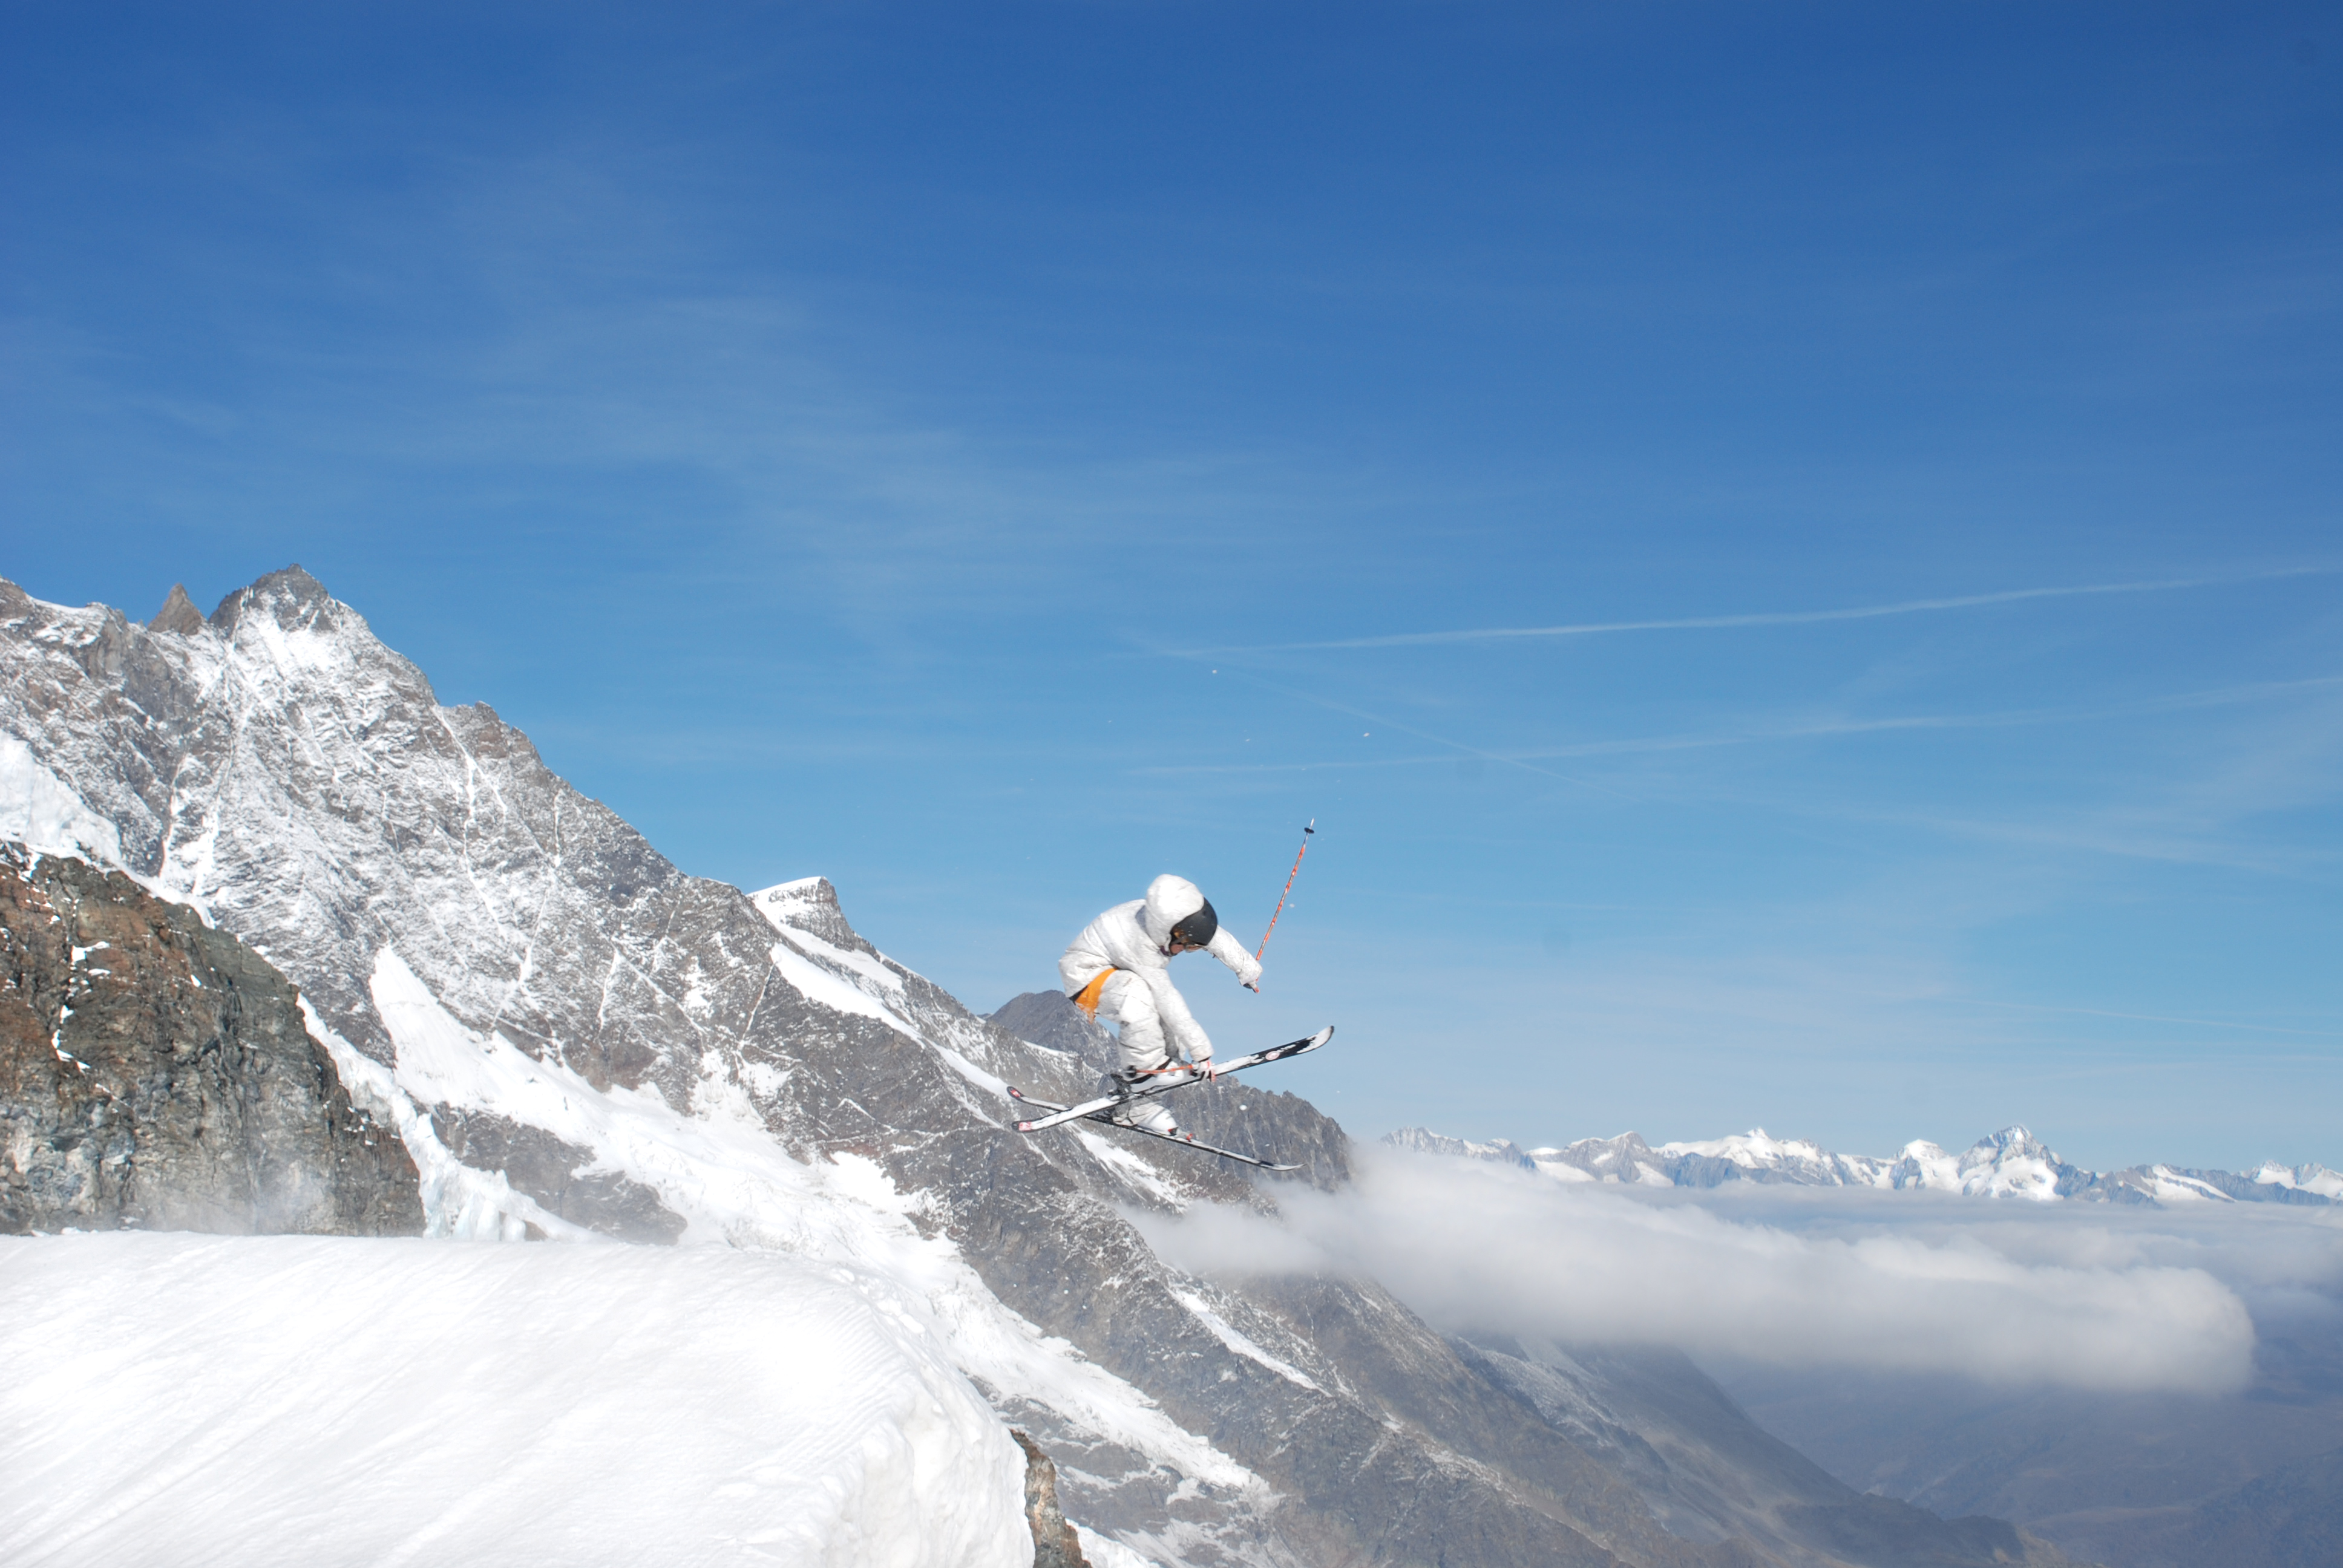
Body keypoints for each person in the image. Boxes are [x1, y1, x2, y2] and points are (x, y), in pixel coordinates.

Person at [1059, 874, 1262, 1135]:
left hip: (1119, 972)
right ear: (1169, 933)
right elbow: (1167, 997)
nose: (1186, 950)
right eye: (1186, 946)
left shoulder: (1172, 920)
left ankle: (1137, 1107)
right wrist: (1202, 1051)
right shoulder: (1140, 943)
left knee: (1170, 1035)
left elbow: (1216, 938)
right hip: (1085, 977)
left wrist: (1247, 970)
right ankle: (1144, 1073)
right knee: (1139, 995)